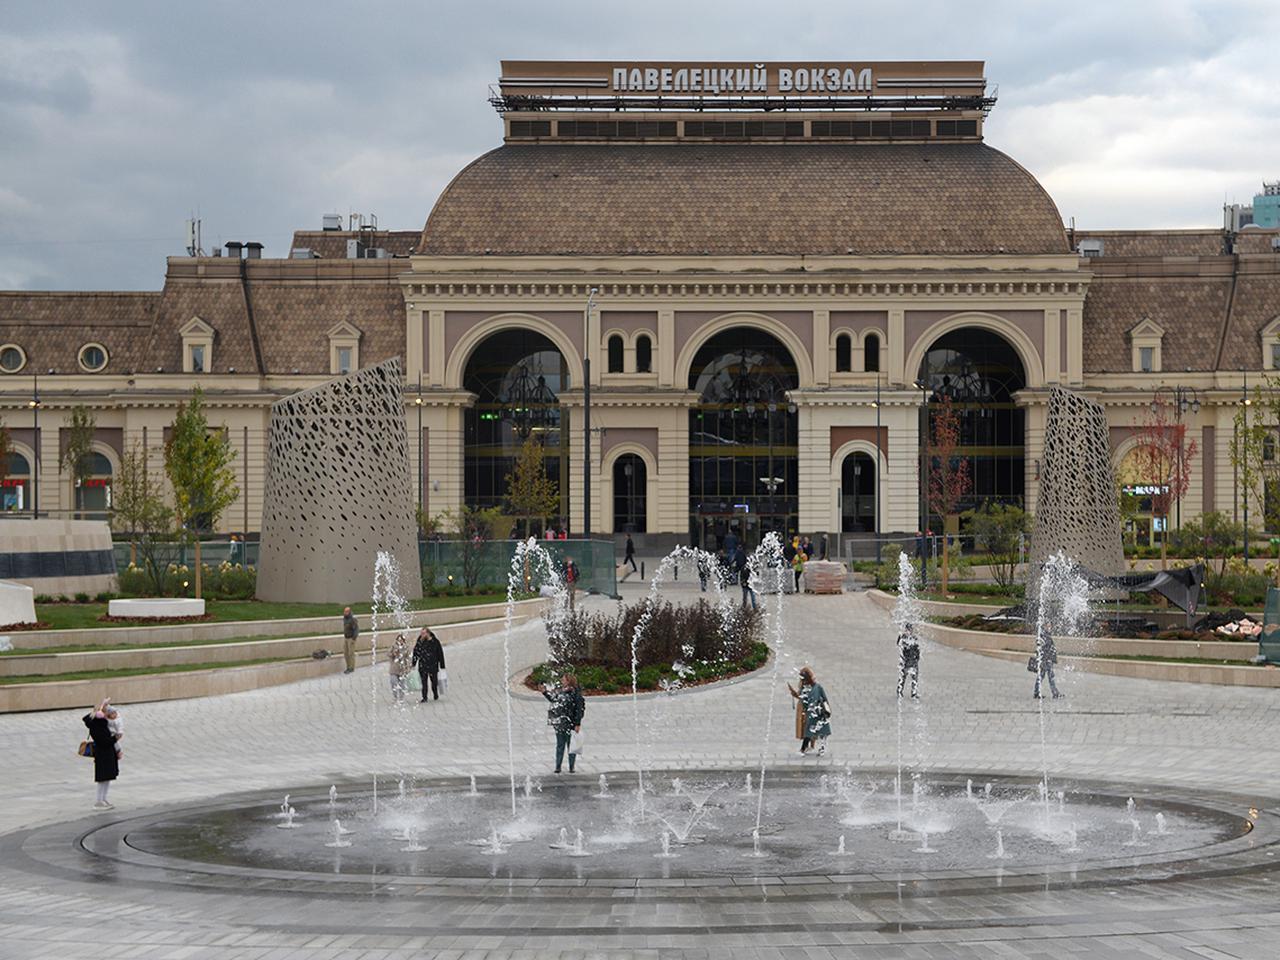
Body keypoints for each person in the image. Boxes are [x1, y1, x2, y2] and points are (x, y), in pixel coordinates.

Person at [543, 673, 586, 773]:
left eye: (563, 680)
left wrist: (577, 723)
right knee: (560, 745)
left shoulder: (575, 694)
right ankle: (558, 766)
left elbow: (578, 709)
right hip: (560, 723)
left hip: (570, 723)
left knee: (571, 746)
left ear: (568, 681)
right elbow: (553, 700)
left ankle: (571, 767)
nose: (562, 681)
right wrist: (545, 692)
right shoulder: (560, 692)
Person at [83, 699, 120, 809]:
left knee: (107, 777)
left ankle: (103, 799)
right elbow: (103, 741)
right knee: (102, 778)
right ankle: (99, 801)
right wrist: (115, 738)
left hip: (107, 753)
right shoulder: (97, 724)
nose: (108, 712)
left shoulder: (102, 723)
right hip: (103, 753)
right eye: (106, 710)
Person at [787, 666, 831, 756]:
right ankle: (805, 748)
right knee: (809, 731)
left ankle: (815, 748)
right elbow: (803, 698)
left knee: (821, 731)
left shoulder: (818, 687)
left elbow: (824, 698)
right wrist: (794, 694)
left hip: (819, 713)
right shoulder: (805, 688)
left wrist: (826, 709)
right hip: (811, 713)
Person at [412, 628, 446, 702]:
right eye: (421, 633)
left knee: (434, 682)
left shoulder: (435, 642)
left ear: (428, 633)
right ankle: (424, 697)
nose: (422, 635)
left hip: (433, 665)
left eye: (423, 633)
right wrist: (413, 663)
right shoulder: (420, 642)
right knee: (424, 682)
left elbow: (440, 653)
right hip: (423, 665)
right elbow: (416, 653)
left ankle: (435, 693)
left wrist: (442, 665)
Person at [1033, 627, 1063, 699]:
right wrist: (1048, 658)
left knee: (1041, 676)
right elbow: (1042, 647)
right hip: (1046, 660)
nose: (1050, 627)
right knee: (1050, 677)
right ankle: (1055, 693)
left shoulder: (1045, 635)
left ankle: (1037, 692)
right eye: (1048, 625)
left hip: (1046, 659)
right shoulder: (1043, 636)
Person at [897, 622, 921, 699]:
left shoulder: (914, 638)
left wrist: (917, 657)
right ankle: (899, 691)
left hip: (913, 660)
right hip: (905, 660)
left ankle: (914, 693)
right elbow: (898, 644)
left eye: (910, 630)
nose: (909, 631)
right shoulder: (902, 637)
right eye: (908, 629)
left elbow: (917, 648)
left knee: (914, 677)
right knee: (903, 676)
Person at [388, 633, 411, 703]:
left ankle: (401, 698)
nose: (400, 641)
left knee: (402, 684)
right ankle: (395, 697)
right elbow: (388, 654)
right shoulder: (393, 647)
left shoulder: (406, 647)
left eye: (401, 640)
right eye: (398, 640)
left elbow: (409, 657)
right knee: (393, 682)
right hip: (394, 668)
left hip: (403, 668)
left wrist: (409, 667)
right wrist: (393, 653)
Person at [732, 545, 756, 610]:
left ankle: (746, 606)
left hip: (747, 584)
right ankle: (752, 607)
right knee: (751, 596)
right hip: (748, 584)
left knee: (746, 596)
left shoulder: (746, 567)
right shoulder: (746, 567)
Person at [341, 606, 358, 674]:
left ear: (349, 612)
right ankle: (348, 666)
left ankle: (351, 667)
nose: (345, 613)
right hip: (346, 638)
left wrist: (354, 638)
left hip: (351, 638)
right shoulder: (345, 619)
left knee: (351, 653)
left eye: (346, 611)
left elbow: (356, 629)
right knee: (346, 653)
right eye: (344, 611)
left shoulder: (352, 620)